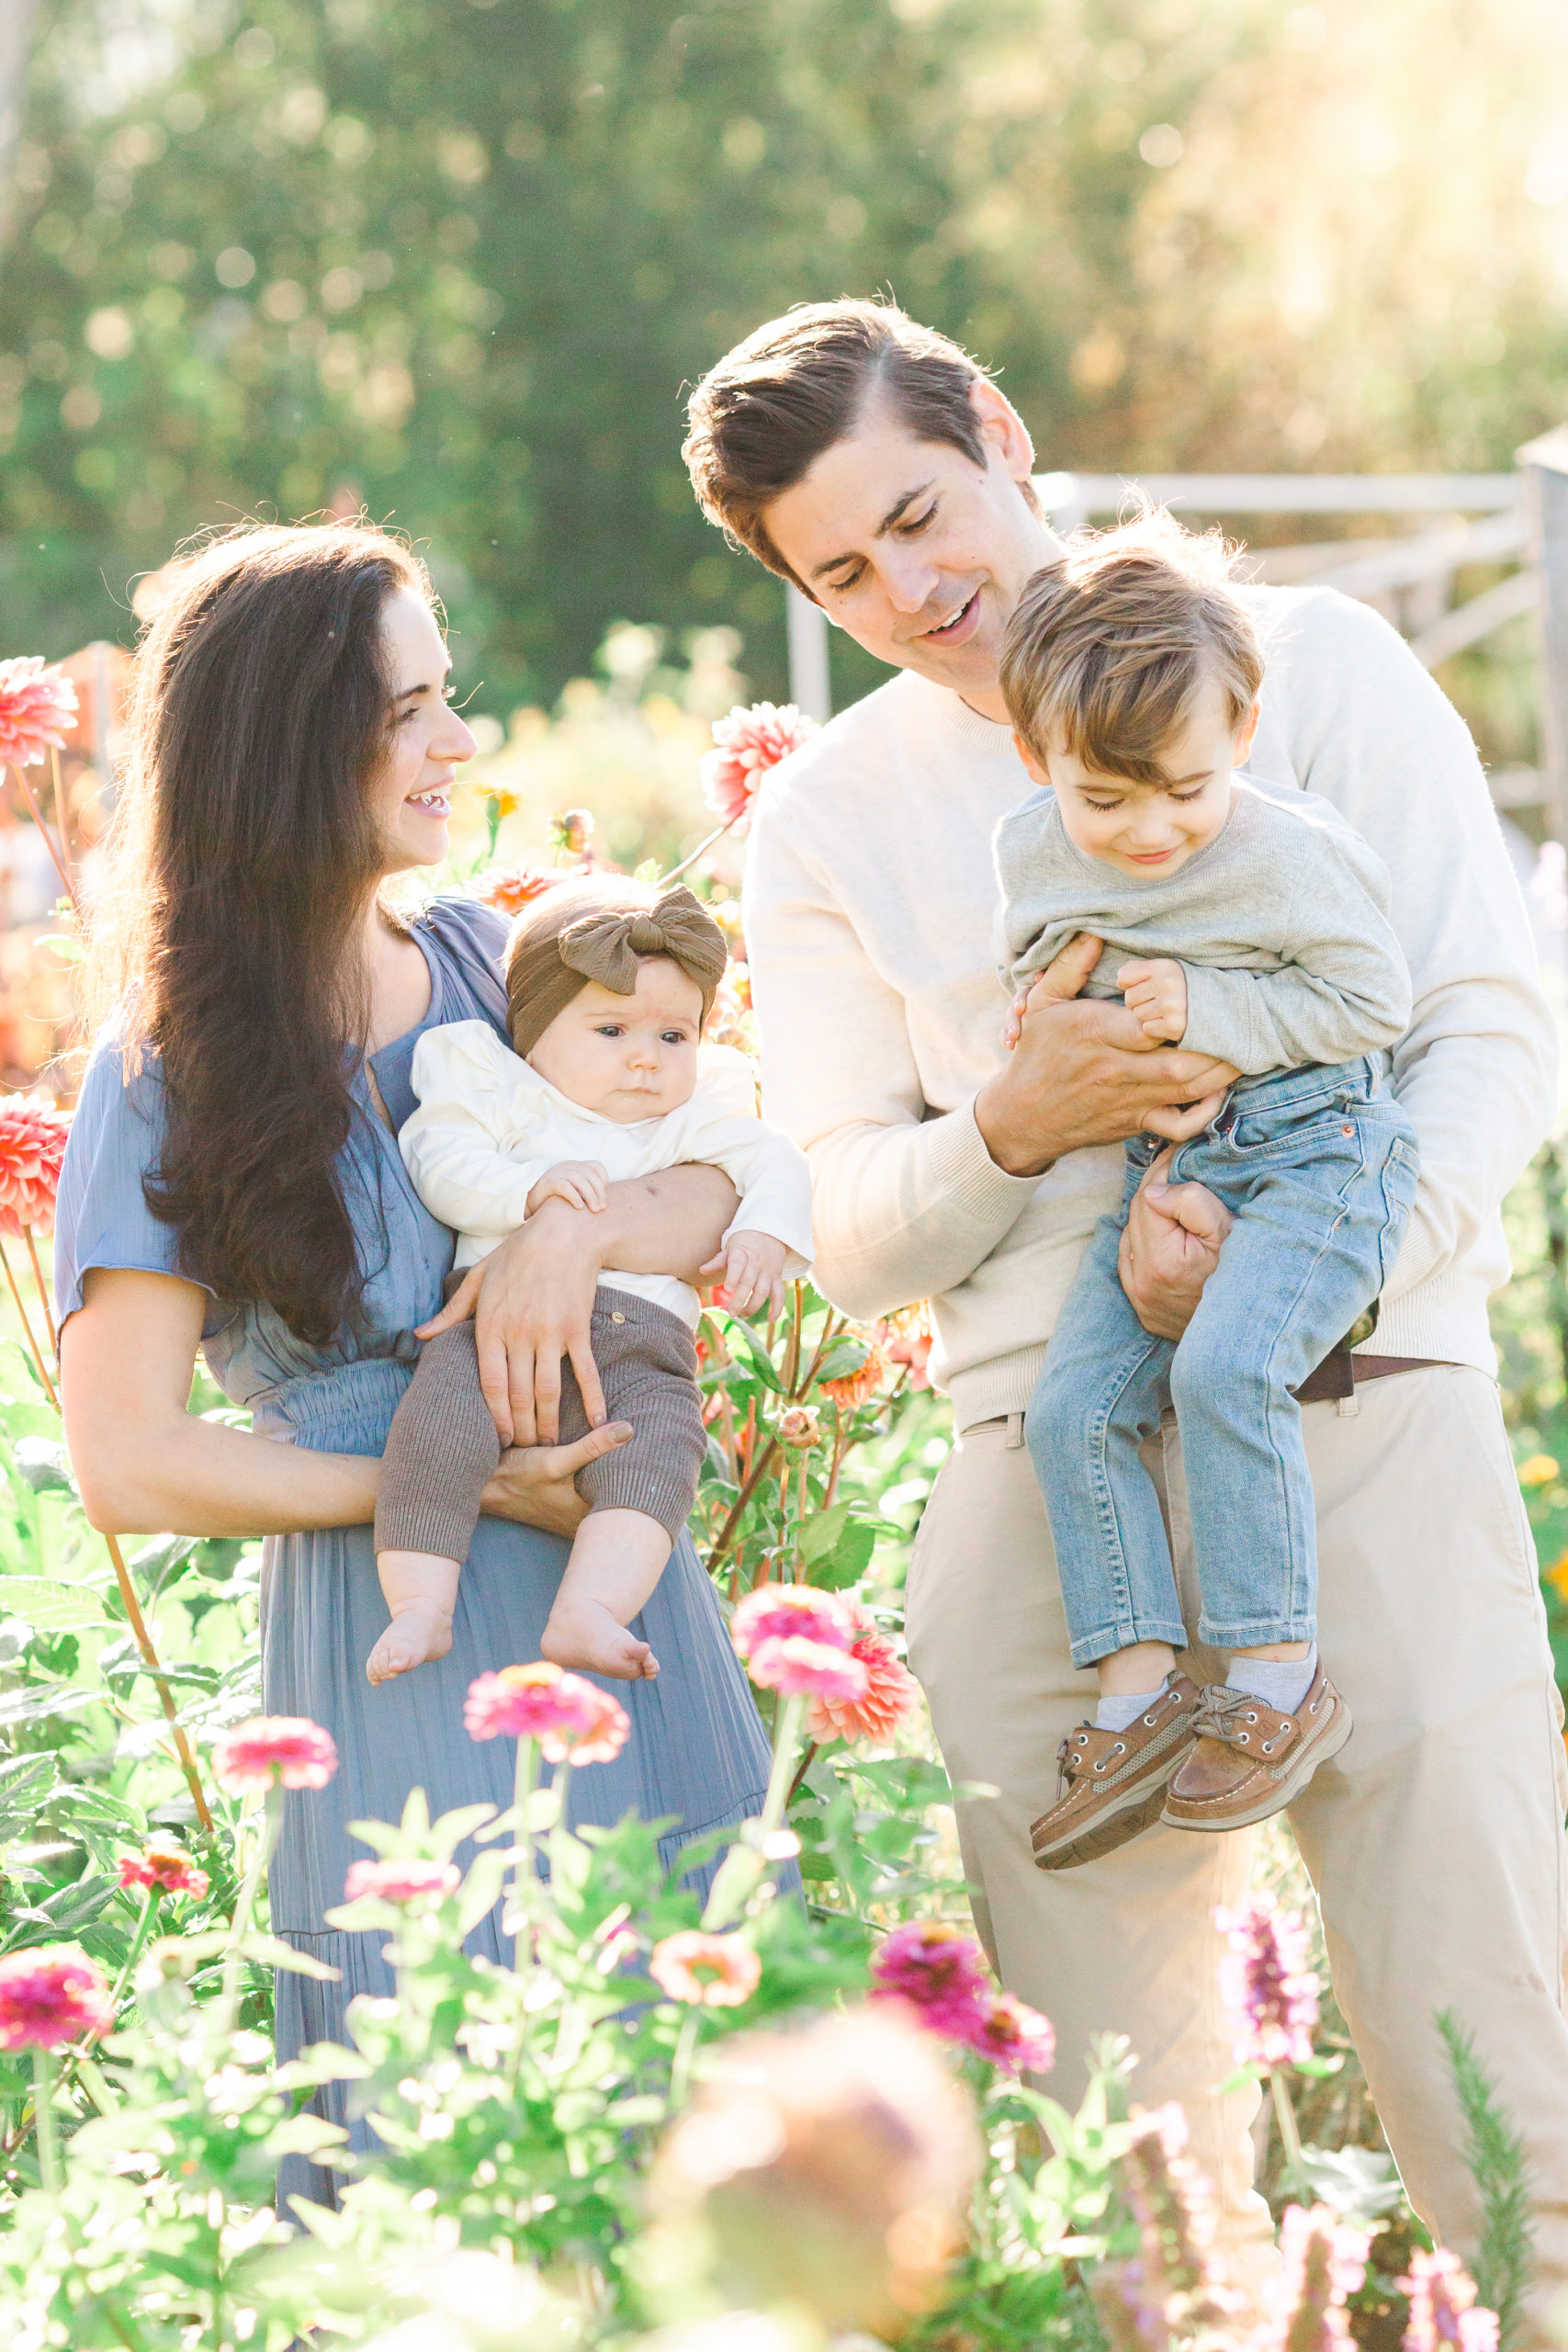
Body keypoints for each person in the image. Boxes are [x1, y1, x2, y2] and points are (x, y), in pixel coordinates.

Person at [684, 299, 1568, 2314]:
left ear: (996, 430)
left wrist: (1285, 1271)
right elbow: (849, 1223)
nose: (915, 587)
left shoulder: (1315, 666)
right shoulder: (829, 816)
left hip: (1359, 1403)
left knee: (1499, 2091)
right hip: (1046, 1493)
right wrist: (1006, 1120)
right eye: (844, 570)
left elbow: (1487, 1038)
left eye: (921, 512)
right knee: (1123, 2178)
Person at [54, 521, 779, 2210]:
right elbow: (128, 1460)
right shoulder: (169, 1067)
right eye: (412, 709)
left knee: (696, 2131)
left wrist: (570, 1234)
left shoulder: (486, 959)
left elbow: (715, 1172)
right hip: (404, 1613)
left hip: (620, 1596)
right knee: (447, 2140)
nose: (458, 742)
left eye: (450, 698)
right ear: (295, 742)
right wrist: (452, 1479)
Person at [996, 518, 1416, 1864]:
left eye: (1180, 788)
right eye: (1100, 801)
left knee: (1221, 1373)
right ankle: (1135, 1690)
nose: (1148, 833)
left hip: (1316, 1149)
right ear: (1034, 761)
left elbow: (1373, 1002)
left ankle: (1274, 1686)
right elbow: (1038, 973)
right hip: (1163, 1158)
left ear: (1237, 728)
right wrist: (1061, 1028)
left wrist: (1216, 1009)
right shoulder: (1031, 849)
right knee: (1066, 1407)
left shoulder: (1290, 851)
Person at [371, 873, 813, 1686]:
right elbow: (440, 1158)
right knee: (435, 1435)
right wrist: (524, 1193)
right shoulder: (499, 1086)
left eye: (673, 1037)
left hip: (643, 1353)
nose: (645, 1058)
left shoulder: (696, 1112)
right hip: (485, 1343)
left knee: (658, 1462)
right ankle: (420, 1603)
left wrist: (763, 1230)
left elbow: (774, 1159)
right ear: (534, 1032)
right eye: (610, 1029)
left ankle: (591, 1608)